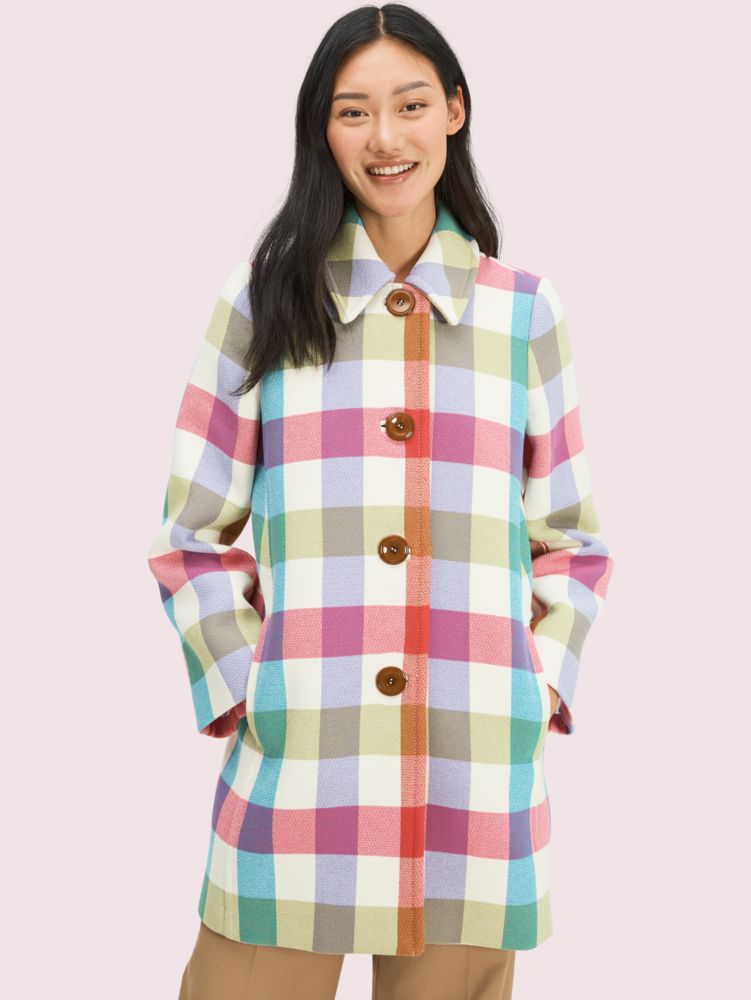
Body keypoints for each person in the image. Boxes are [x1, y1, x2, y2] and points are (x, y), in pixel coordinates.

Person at [146, 4, 615, 998]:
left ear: (454, 111)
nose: (385, 137)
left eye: (410, 105)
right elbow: (192, 535)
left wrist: (533, 687)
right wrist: (251, 689)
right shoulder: (262, 301)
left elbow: (571, 539)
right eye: (352, 111)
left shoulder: (523, 311)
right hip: (302, 762)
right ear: (321, 128)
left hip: (471, 770)